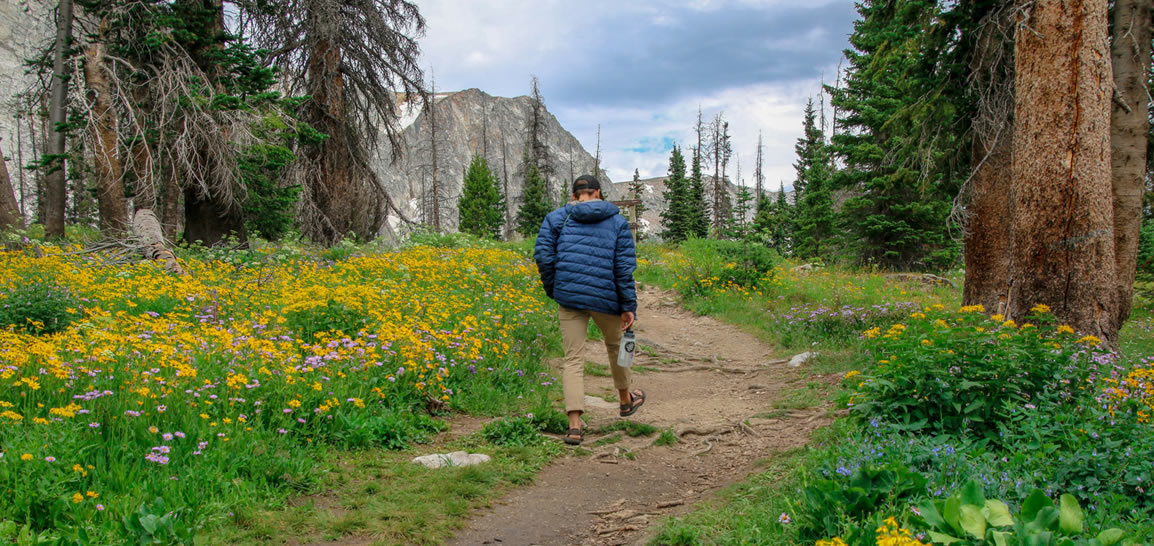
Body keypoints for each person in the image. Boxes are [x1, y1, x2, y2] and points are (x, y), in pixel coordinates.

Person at [534, 174, 645, 445]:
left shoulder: (556, 218)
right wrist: (628, 306)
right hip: (608, 298)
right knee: (622, 346)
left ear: (574, 196)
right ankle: (625, 399)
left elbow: (544, 257)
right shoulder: (617, 222)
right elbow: (623, 269)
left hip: (569, 296)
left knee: (573, 359)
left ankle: (574, 425)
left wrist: (555, 289)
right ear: (598, 193)